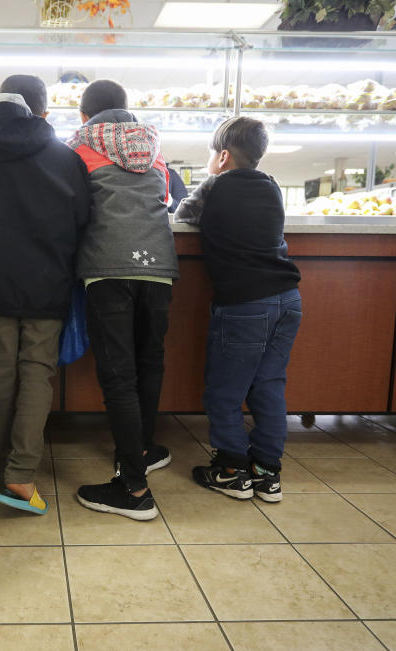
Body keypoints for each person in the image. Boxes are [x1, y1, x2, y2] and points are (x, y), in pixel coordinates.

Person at [0, 75, 91, 515]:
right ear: (43, 111)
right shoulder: (66, 159)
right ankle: (20, 473)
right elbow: (83, 216)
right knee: (36, 375)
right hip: (48, 285)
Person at [174, 116, 302, 503]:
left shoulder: (214, 186)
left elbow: (181, 217)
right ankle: (267, 473)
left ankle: (231, 470)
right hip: (289, 299)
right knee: (268, 387)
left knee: (224, 393)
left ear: (223, 156)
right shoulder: (273, 187)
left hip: (246, 303)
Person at [70, 80, 179, 521]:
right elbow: (169, 197)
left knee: (119, 377)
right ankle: (144, 450)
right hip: (159, 266)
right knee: (149, 363)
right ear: (127, 109)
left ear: (83, 115)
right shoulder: (154, 149)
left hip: (110, 266)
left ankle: (134, 490)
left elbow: (73, 209)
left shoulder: (79, 149)